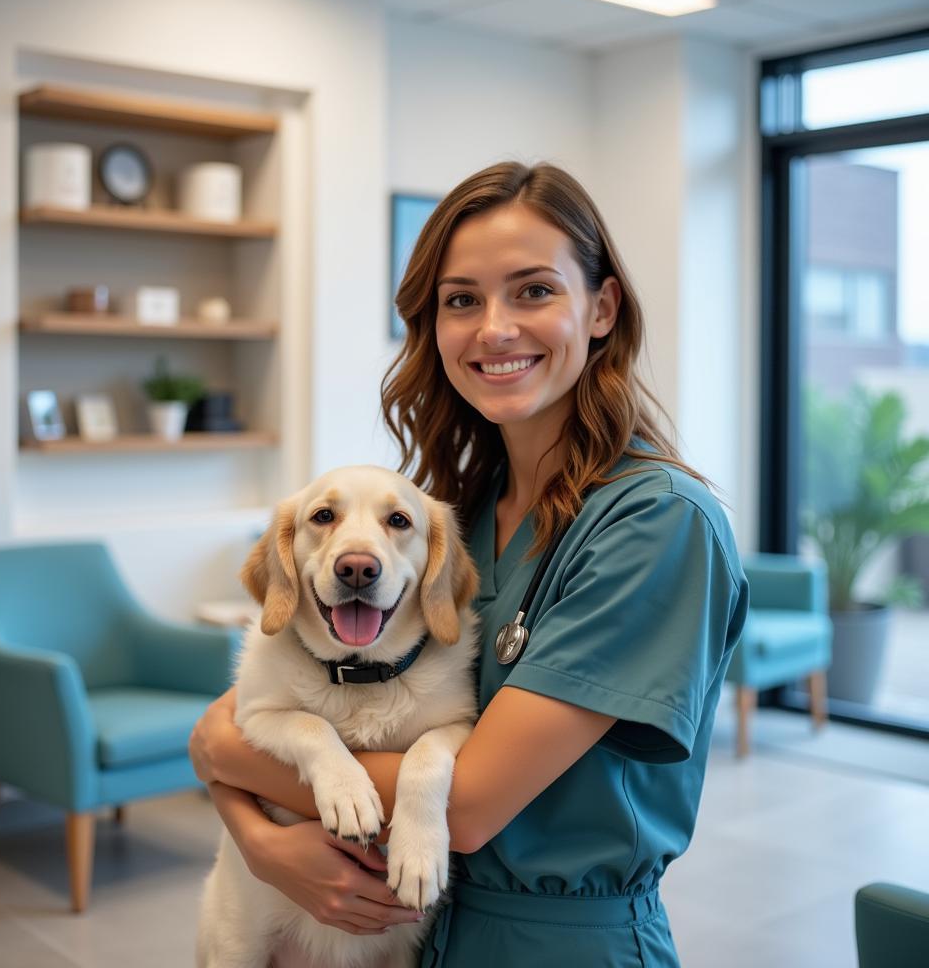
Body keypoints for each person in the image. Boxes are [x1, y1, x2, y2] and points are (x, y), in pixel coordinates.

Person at [190, 161, 749, 967]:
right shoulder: (456, 512)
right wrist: (260, 844)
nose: (493, 329)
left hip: (558, 945)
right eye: (462, 300)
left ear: (601, 307)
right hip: (420, 928)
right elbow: (270, 713)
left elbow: (470, 805)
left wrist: (218, 756)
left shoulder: (654, 524)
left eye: (533, 291)